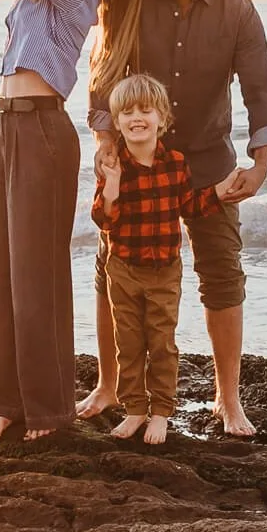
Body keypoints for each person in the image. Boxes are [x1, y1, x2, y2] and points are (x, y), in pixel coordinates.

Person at [79, 0, 267, 438]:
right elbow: (104, 70)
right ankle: (108, 385)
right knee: (112, 270)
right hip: (137, 156)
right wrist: (104, 139)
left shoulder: (238, 10)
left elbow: (260, 90)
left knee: (222, 270)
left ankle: (227, 400)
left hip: (208, 159)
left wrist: (260, 164)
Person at [0, 0, 145, 443]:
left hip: (43, 129)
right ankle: (1, 400)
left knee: (36, 272)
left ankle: (47, 409)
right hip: (4, 126)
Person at [89, 73, 229, 447]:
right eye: (128, 112)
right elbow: (103, 220)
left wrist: (221, 191)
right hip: (123, 268)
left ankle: (162, 412)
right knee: (129, 343)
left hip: (165, 270)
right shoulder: (113, 165)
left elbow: (189, 207)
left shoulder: (176, 164)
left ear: (161, 119)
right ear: (117, 123)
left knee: (162, 343)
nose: (137, 117)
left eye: (146, 110)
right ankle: (134, 408)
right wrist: (113, 186)